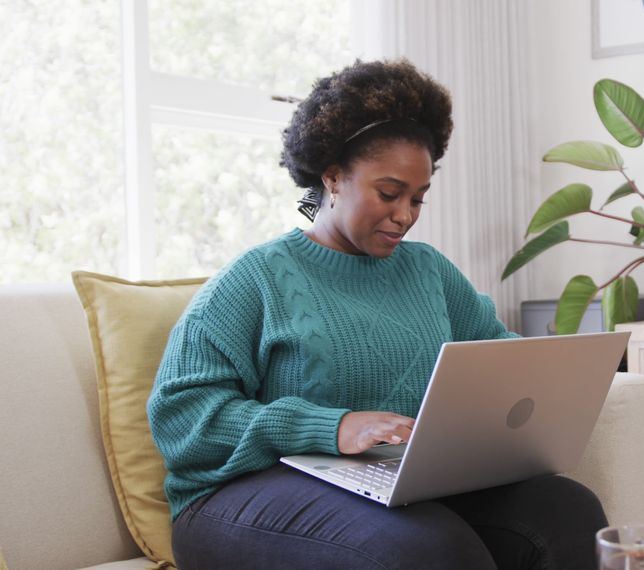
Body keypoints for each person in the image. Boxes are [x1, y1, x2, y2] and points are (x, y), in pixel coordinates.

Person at [147, 58, 608, 569]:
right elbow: (182, 417)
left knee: (568, 511)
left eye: (418, 198)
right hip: (237, 498)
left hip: (382, 480)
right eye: (389, 193)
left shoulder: (428, 270)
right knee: (426, 546)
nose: (406, 215)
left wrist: (561, 375)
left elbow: (495, 353)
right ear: (333, 177)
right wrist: (332, 428)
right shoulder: (254, 279)